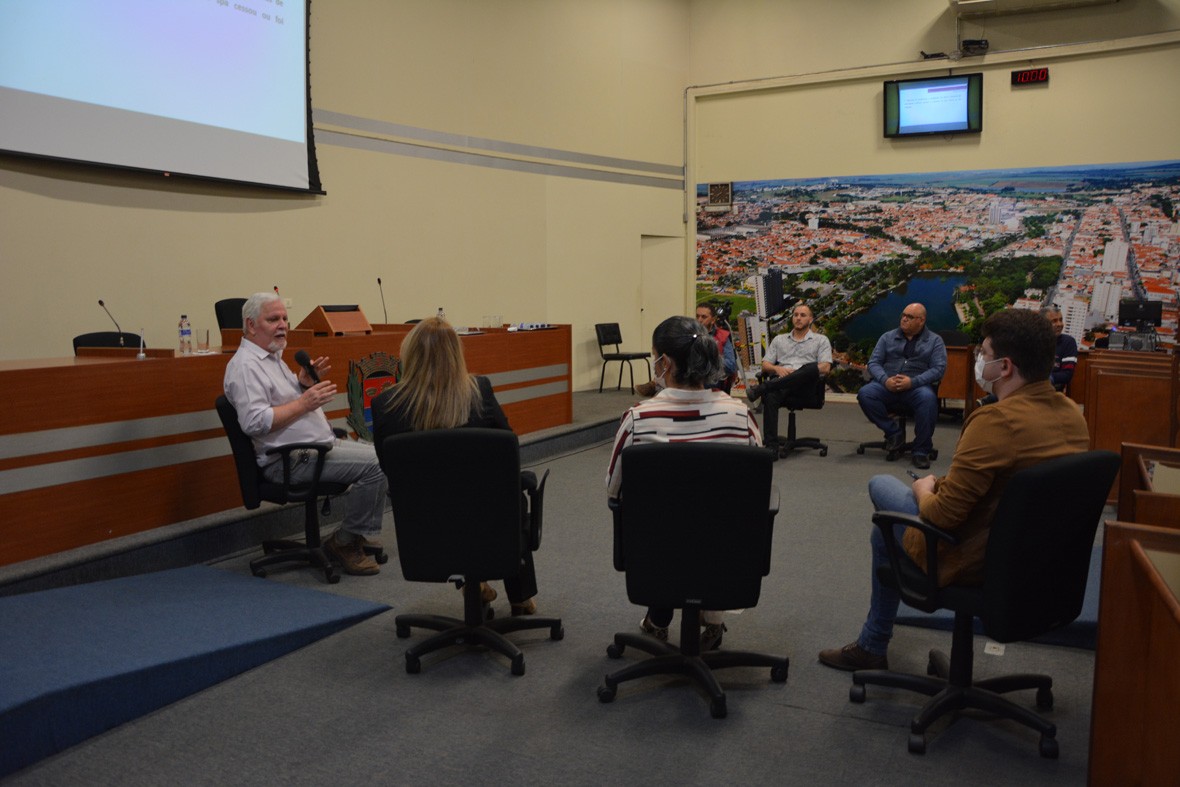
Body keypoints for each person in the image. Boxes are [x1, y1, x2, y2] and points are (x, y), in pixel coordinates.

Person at [818, 309, 1090, 671]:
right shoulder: (1073, 414)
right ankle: (873, 642)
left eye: (986, 354)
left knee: (881, 492)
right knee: (892, 513)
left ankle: (873, 643)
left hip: (974, 557)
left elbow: (942, 514)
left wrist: (925, 489)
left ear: (1005, 367)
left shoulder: (996, 421)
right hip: (1040, 562)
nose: (980, 361)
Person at [606, 315, 762, 651]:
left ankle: (659, 615)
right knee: (712, 521)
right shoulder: (740, 417)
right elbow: (756, 490)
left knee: (669, 523)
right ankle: (713, 616)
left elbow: (613, 489)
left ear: (663, 362)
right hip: (726, 550)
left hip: (656, 551)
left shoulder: (638, 419)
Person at [371, 317, 540, 616]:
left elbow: (390, 469)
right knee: (514, 493)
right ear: (456, 354)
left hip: (424, 528)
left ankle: (473, 584)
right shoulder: (480, 391)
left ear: (409, 354)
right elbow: (508, 452)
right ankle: (520, 598)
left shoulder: (385, 403)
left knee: (452, 501)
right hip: (487, 522)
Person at [223, 292, 387, 576]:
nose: (283, 325)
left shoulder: (272, 358)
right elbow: (255, 422)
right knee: (378, 464)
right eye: (273, 319)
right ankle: (346, 542)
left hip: (312, 449)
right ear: (250, 326)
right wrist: (304, 401)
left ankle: (352, 535)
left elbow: (283, 402)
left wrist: (302, 384)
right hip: (288, 461)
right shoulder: (246, 367)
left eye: (285, 318)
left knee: (386, 454)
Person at [856, 303, 947, 470]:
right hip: (887, 385)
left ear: (921, 320)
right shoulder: (887, 337)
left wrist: (913, 382)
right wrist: (885, 380)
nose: (904, 319)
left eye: (910, 317)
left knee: (927, 399)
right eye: (903, 315)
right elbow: (874, 362)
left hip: (916, 387)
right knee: (865, 393)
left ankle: (921, 450)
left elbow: (938, 369)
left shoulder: (935, 341)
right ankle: (893, 433)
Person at [744, 303, 832, 455]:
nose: (798, 318)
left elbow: (825, 367)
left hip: (806, 386)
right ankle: (771, 447)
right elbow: (765, 365)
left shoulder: (821, 340)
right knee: (771, 395)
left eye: (803, 315)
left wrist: (798, 372)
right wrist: (778, 368)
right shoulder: (779, 339)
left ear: (810, 320)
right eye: (796, 315)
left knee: (809, 368)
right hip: (781, 383)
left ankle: (763, 388)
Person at [635, 302, 737, 397]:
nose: (700, 320)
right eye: (697, 316)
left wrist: (705, 361)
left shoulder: (722, 336)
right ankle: (657, 383)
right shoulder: (689, 334)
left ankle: (656, 384)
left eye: (704, 317)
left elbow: (731, 365)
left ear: (713, 319)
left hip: (710, 377)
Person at [1042, 307, 1078, 391]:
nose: (1059, 324)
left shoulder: (1068, 342)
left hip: (1052, 391)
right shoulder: (1032, 340)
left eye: (1061, 320)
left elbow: (1067, 374)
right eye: (1054, 321)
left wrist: (1042, 380)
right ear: (1042, 323)